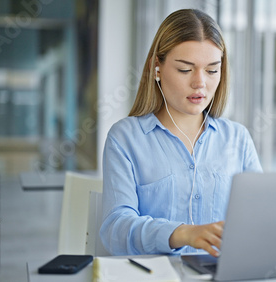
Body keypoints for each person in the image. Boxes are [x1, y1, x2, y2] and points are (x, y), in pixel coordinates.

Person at [100, 9, 262, 257]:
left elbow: (261, 219)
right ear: (157, 68)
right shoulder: (126, 138)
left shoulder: (237, 139)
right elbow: (116, 229)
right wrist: (183, 234)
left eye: (212, 70)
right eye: (185, 69)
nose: (200, 83)